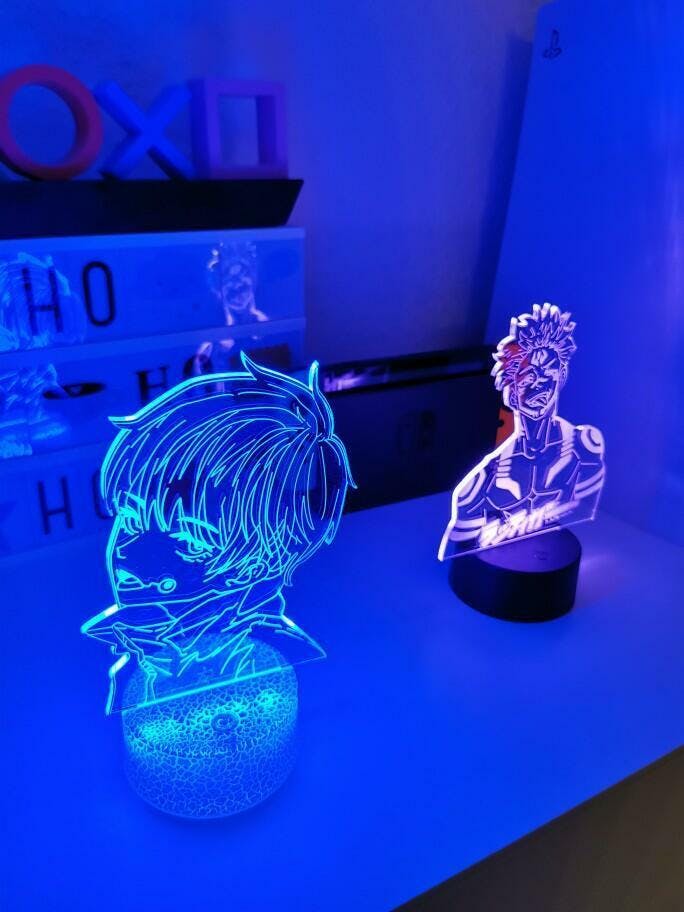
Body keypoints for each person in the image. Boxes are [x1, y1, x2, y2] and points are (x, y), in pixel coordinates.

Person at [82, 353, 354, 713]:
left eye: (189, 541)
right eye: (131, 520)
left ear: (257, 564)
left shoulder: (275, 662)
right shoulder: (134, 661)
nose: (131, 558)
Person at [439, 303, 605, 560]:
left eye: (548, 375)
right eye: (529, 378)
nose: (540, 387)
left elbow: (588, 528)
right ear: (511, 391)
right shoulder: (479, 486)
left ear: (561, 377)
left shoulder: (583, 449)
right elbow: (461, 560)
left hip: (556, 565)